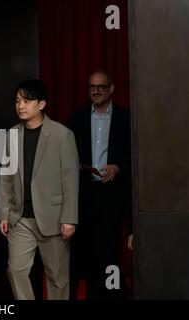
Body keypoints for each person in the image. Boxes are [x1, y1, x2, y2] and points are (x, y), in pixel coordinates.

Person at [0, 79, 79, 300]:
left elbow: (70, 179)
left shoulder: (63, 135)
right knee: (16, 270)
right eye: (17, 101)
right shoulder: (12, 135)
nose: (20, 106)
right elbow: (6, 176)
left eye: (27, 100)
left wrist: (69, 217)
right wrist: (3, 212)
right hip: (20, 218)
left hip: (54, 219)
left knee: (57, 278)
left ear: (41, 104)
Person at [68, 70, 132, 300]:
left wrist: (118, 167)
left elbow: (134, 155)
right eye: (91, 86)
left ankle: (110, 294)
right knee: (83, 252)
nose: (95, 90)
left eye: (101, 86)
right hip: (83, 194)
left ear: (111, 89)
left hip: (111, 195)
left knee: (109, 252)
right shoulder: (77, 117)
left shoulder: (126, 118)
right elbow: (66, 153)